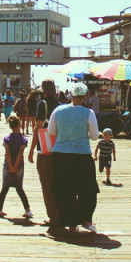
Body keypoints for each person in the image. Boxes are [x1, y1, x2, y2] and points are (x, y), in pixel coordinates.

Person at [48, 82, 100, 234]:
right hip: (82, 154)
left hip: (61, 155)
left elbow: (51, 131)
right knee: (87, 189)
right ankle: (86, 219)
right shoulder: (88, 113)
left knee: (64, 190)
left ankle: (70, 222)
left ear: (71, 95)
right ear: (85, 97)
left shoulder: (58, 110)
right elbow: (95, 136)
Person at [28, 79, 61, 233]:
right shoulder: (60, 104)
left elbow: (38, 126)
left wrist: (31, 149)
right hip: (59, 148)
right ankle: (61, 214)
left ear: (44, 91)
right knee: (57, 182)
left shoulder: (42, 104)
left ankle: (53, 218)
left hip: (45, 148)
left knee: (47, 184)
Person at [0, 115, 33, 219]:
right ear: (20, 125)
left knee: (4, 188)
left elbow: (7, 152)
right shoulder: (23, 139)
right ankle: (28, 211)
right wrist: (16, 165)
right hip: (19, 165)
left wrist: (11, 165)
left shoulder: (6, 139)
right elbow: (20, 153)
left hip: (7, 164)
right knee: (19, 188)